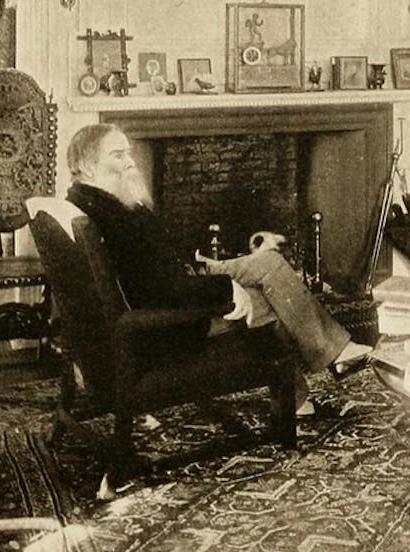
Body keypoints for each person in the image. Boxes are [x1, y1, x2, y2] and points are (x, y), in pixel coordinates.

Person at [64, 123, 372, 415]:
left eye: (128, 152)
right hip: (170, 323)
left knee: (269, 263)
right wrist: (226, 288)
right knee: (268, 297)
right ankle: (312, 379)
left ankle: (321, 368)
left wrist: (199, 265)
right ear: (89, 165)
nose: (131, 162)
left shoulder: (101, 203)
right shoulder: (112, 219)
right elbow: (156, 290)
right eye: (118, 155)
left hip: (184, 282)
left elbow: (154, 264)